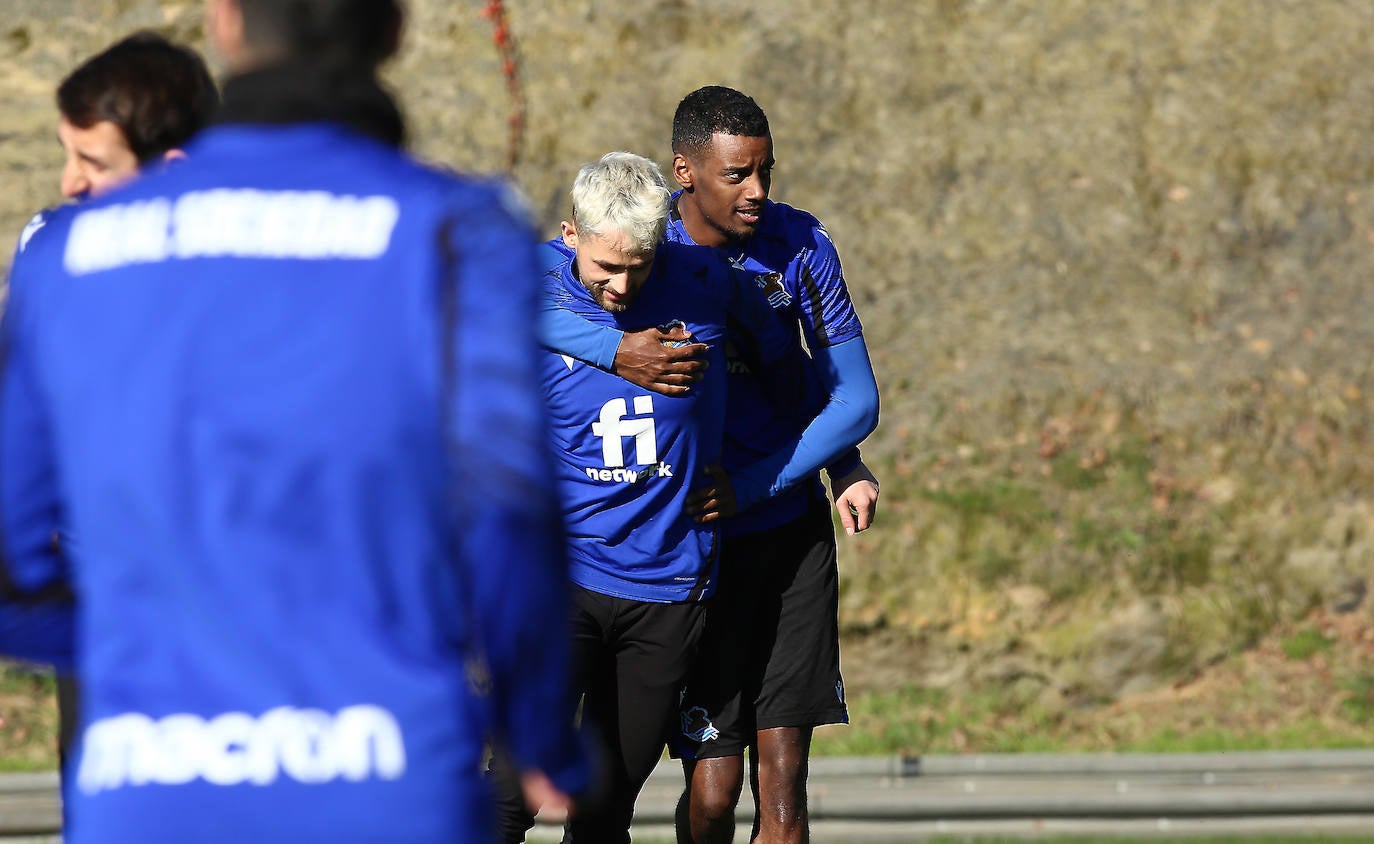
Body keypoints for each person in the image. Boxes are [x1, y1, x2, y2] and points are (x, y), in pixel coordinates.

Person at [0, 1, 585, 842]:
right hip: (386, 774)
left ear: (224, 25)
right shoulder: (460, 229)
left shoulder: (65, 257)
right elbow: (506, 511)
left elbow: (12, 565)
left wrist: (161, 644)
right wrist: (535, 729)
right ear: (394, 33)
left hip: (153, 785)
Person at [537, 85, 881, 844]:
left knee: (783, 798)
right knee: (711, 794)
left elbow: (838, 393)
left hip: (781, 525)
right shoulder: (649, 255)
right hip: (687, 548)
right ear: (683, 175)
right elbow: (504, 294)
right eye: (737, 175)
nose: (758, 192)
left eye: (766, 172)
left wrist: (840, 462)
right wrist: (612, 348)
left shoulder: (800, 247)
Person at [499, 151, 803, 844]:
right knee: (510, 795)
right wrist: (612, 350)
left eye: (639, 266)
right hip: (562, 581)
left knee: (604, 815)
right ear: (571, 234)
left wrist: (828, 466)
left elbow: (790, 379)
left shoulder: (706, 281)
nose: (621, 286)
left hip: (669, 589)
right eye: (607, 268)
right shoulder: (529, 282)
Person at [2, 28, 219, 779]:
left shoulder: (267, 272)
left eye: (92, 162)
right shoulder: (52, 250)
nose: (68, 182)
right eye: (66, 156)